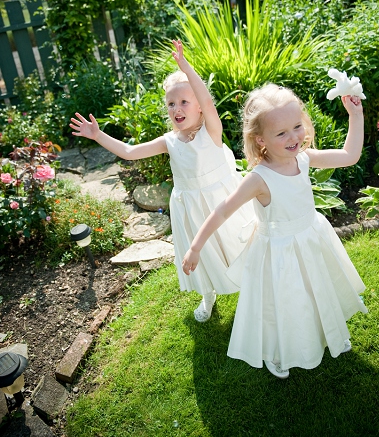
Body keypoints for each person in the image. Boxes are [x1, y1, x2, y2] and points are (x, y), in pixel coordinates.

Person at [182, 84, 367, 379]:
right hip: (279, 252)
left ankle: (328, 330)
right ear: (261, 140)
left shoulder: (304, 158)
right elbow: (221, 211)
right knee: (283, 303)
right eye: (281, 133)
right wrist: (195, 247)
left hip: (310, 238)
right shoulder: (259, 178)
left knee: (317, 288)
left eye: (296, 127)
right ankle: (278, 350)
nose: (293, 137)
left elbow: (349, 155)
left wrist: (355, 115)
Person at [69, 40, 254, 322]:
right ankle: (208, 294)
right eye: (171, 104)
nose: (176, 108)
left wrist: (185, 67)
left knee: (235, 244)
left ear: (200, 108)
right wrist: (98, 136)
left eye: (184, 102)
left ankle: (254, 288)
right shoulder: (169, 141)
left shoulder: (211, 131)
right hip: (190, 207)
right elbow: (130, 153)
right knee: (201, 254)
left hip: (223, 200)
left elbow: (207, 98)